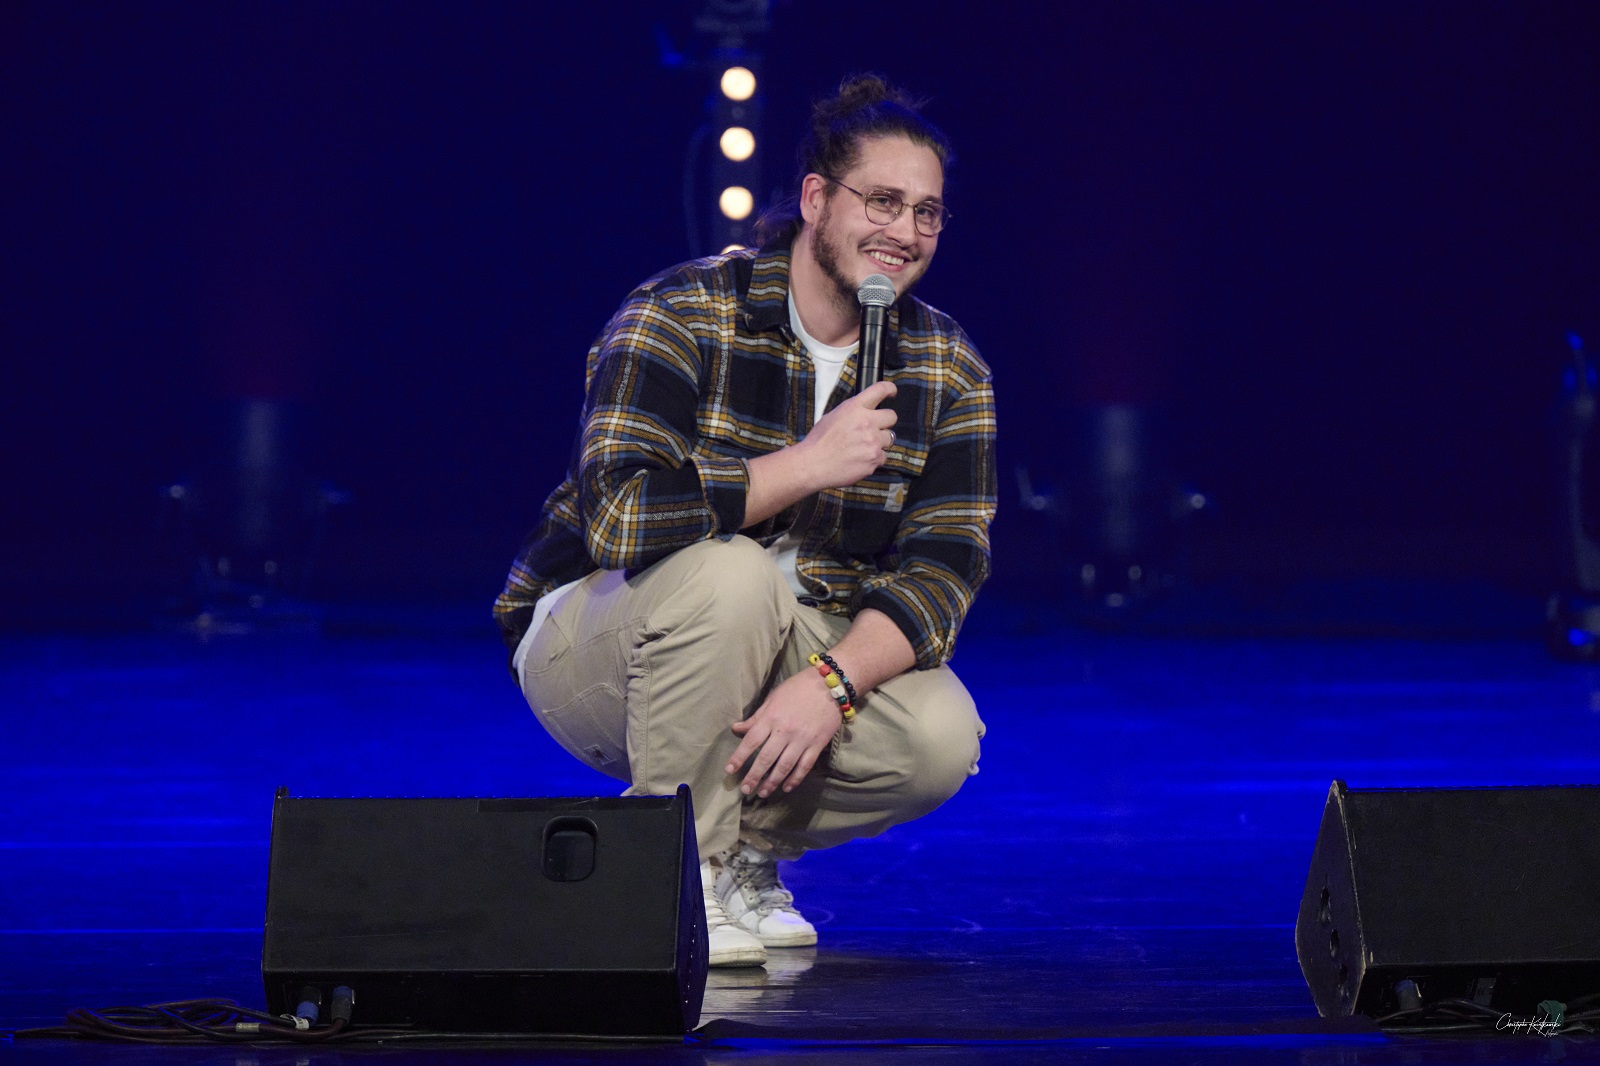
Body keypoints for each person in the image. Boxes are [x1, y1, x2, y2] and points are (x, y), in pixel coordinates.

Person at [494, 74, 996, 967]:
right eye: (882, 201)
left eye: (927, 213)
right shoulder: (679, 312)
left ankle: (744, 860)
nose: (905, 233)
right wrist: (807, 463)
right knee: (734, 574)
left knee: (938, 734)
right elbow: (617, 518)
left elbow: (942, 575)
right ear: (815, 198)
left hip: (783, 652)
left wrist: (830, 684)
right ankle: (675, 877)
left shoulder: (948, 364)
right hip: (603, 640)